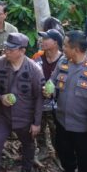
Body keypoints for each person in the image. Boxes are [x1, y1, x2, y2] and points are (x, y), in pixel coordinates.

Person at [0, 33, 44, 172]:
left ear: (22, 50)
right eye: (6, 47)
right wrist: (0, 97)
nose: (6, 51)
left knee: (28, 146)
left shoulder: (34, 70)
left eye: (11, 49)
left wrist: (37, 122)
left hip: (25, 118)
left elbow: (40, 97)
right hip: (4, 116)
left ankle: (27, 171)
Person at [45, 30, 87, 172]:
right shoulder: (63, 62)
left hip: (83, 125)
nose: (62, 48)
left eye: (65, 45)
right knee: (63, 150)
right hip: (61, 119)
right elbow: (52, 81)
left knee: (84, 155)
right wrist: (48, 89)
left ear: (76, 49)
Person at [35, 29, 64, 157]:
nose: (42, 41)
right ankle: (43, 149)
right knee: (39, 126)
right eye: (42, 38)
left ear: (56, 43)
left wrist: (54, 92)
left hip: (58, 103)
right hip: (40, 100)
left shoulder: (64, 60)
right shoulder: (37, 57)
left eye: (46, 39)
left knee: (56, 129)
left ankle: (59, 152)